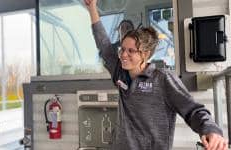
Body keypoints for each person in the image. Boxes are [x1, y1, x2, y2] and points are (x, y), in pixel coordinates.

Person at [84, 0, 228, 150]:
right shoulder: (120, 74)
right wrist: (92, 8)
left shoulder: (163, 78)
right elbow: (104, 44)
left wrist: (211, 130)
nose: (123, 55)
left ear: (145, 54)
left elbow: (193, 109)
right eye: (122, 49)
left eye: (131, 51)